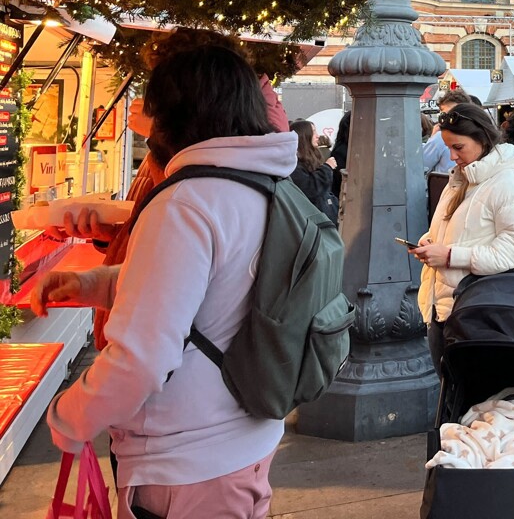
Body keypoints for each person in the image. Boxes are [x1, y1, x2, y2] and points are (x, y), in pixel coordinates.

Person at [35, 44, 296, 518]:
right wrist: (97, 285)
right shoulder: (261, 183)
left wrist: (69, 415)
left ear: (174, 115)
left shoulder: (186, 203)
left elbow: (142, 358)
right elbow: (212, 288)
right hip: (246, 436)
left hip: (188, 461)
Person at [412, 103, 514, 371]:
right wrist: (430, 240)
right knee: (451, 395)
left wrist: (448, 256)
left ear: (481, 139)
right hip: (446, 306)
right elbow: (458, 228)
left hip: (478, 313)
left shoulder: (510, 181)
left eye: (458, 147)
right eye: (448, 147)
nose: (452, 155)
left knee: (468, 399)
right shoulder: (463, 176)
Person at [288, 119, 338, 223]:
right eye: (313, 131)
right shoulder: (294, 163)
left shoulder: (313, 156)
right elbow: (311, 188)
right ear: (304, 135)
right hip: (312, 221)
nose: (317, 135)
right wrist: (327, 167)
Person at [421, 89, 472, 175]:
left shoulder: (439, 137)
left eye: (453, 115)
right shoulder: (476, 133)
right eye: (443, 115)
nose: (453, 157)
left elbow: (421, 165)